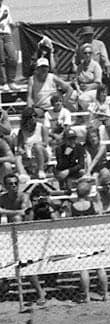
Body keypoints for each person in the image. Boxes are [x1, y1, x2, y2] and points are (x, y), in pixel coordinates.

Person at [0, 174, 46, 304]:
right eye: (10, 184)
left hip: (24, 236)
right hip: (8, 237)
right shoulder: (2, 197)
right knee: (4, 264)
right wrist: (14, 212)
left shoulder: (23, 196)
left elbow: (25, 212)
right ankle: (3, 290)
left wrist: (6, 212)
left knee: (27, 266)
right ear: (5, 186)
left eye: (15, 183)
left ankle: (40, 293)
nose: (14, 185)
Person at [14, 107, 49, 180]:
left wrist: (33, 146)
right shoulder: (22, 131)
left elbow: (45, 143)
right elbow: (19, 146)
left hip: (42, 154)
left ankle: (41, 170)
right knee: (18, 156)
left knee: (37, 146)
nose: (33, 118)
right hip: (28, 155)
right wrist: (21, 150)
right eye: (31, 116)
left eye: (35, 116)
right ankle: (23, 174)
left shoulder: (42, 127)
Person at [73, 46, 103, 110]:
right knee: (68, 97)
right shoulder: (80, 66)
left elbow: (98, 83)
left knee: (81, 98)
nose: (87, 55)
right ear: (82, 55)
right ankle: (77, 113)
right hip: (81, 90)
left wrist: (86, 89)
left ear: (92, 54)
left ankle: (88, 113)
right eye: (85, 53)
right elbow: (76, 80)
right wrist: (78, 89)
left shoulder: (96, 66)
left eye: (89, 53)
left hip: (93, 90)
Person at [0, 0, 18, 91]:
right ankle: (3, 83)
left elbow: (10, 21)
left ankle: (11, 81)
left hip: (7, 34)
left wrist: (14, 25)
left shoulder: (6, 8)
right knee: (1, 59)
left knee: (13, 58)